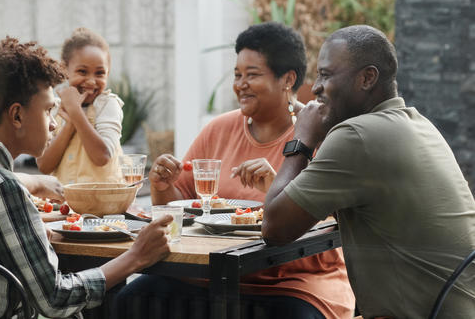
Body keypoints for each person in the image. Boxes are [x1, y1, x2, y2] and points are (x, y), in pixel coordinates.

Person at [116, 23, 355, 318]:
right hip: (210, 275)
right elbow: (179, 209)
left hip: (295, 283)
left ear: (288, 79)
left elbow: (338, 224)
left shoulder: (320, 134)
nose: (240, 84)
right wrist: (164, 186)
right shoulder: (218, 130)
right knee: (129, 300)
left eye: (252, 75)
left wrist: (280, 192)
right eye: (237, 75)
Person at [0, 37, 170, 318]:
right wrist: (136, 256)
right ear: (16, 116)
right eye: (48, 110)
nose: (53, 123)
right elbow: (55, 299)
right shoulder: (1, 187)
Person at [263, 25, 475, 318]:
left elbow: (274, 229)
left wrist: (301, 140)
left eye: (326, 75)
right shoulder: (416, 123)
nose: (314, 88)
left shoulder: (357, 136)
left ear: (367, 78)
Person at [37, 27, 124, 184]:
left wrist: (75, 112)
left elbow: (102, 157)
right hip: (65, 204)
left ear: (108, 73)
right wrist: (69, 124)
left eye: (99, 73)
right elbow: (44, 165)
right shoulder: (55, 107)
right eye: (82, 72)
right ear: (65, 69)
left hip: (103, 204)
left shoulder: (108, 104)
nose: (91, 81)